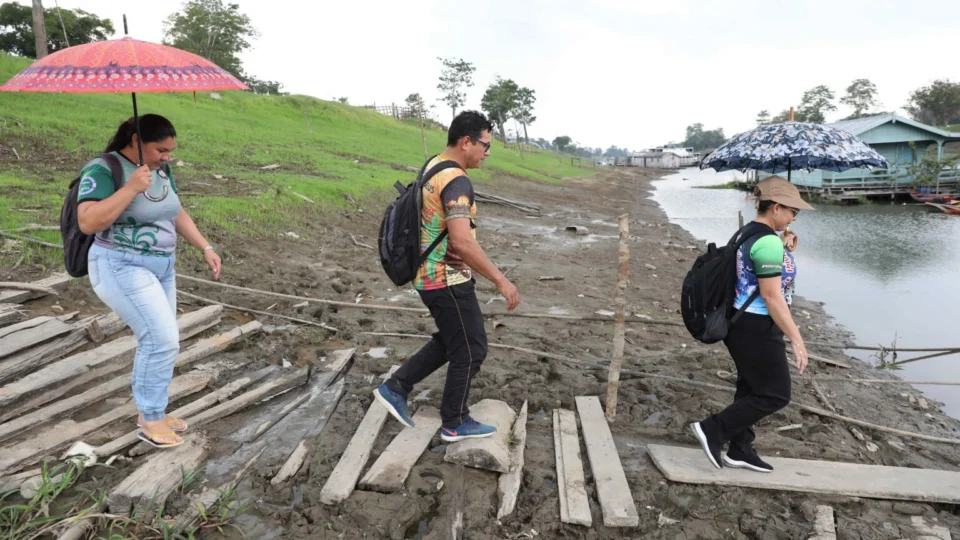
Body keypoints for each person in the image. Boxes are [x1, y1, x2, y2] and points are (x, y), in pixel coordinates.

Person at [374, 111, 521, 442]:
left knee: (453, 339)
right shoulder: (457, 181)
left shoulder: (433, 166)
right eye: (485, 145)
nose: (487, 152)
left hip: (426, 274)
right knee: (472, 349)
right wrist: (501, 280)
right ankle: (455, 420)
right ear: (466, 141)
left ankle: (396, 386)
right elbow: (461, 241)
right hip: (446, 279)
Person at [77, 114, 222, 449]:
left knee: (163, 340)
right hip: (121, 265)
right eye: (160, 149)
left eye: (170, 150)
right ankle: (149, 418)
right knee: (161, 339)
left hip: (162, 267)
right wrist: (130, 188)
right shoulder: (103, 169)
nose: (166, 157)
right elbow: (87, 222)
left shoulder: (160, 170)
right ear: (134, 140)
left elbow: (175, 211)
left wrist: (205, 247)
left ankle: (156, 409)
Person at [691, 176, 813, 473]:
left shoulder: (749, 232)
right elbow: (771, 296)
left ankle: (740, 449)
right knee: (775, 394)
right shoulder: (768, 242)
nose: (794, 217)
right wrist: (797, 338)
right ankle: (713, 429)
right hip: (757, 326)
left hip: (738, 322)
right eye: (792, 211)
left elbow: (754, 273)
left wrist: (783, 249)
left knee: (750, 388)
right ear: (776, 208)